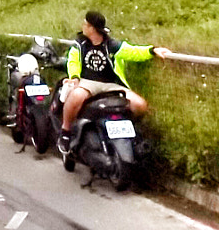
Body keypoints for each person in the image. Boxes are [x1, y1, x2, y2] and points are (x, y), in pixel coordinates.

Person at [59, 10, 159, 150]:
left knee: (140, 105)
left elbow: (133, 52)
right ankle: (66, 131)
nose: (83, 26)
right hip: (88, 82)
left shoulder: (112, 45)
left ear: (92, 28)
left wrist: (152, 51)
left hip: (112, 84)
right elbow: (73, 61)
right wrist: (74, 77)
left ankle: (131, 132)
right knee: (75, 96)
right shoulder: (80, 44)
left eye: (85, 24)